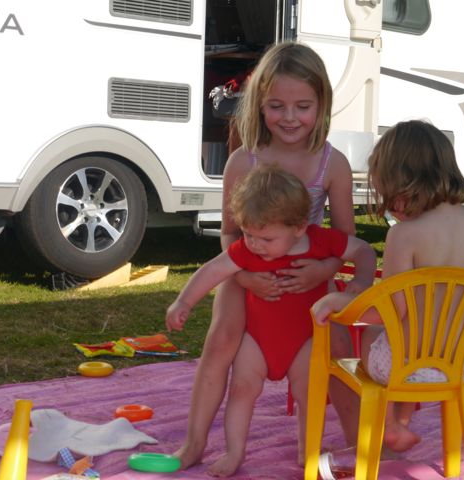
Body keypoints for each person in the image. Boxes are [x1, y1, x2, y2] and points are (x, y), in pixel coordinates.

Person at [173, 42, 361, 469]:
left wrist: (322, 271)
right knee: (221, 341)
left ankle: (359, 442)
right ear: (260, 104)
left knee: (339, 348)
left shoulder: (332, 165)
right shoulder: (244, 162)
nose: (289, 117)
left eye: (302, 106)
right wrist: (243, 277)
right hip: (248, 270)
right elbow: (228, 234)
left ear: (322, 105)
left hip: (309, 273)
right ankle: (194, 443)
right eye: (277, 106)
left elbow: (345, 240)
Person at [312, 119, 464, 455]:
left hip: (400, 367)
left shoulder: (404, 235)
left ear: (404, 183)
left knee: (378, 336)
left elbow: (390, 311)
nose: (391, 207)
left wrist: (338, 301)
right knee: (407, 341)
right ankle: (401, 423)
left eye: (388, 195)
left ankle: (390, 423)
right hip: (458, 366)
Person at [166, 164, 377, 477]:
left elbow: (364, 251)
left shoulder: (321, 242)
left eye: (265, 238)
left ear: (299, 227)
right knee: (241, 389)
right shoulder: (247, 250)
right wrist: (183, 301)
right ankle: (234, 452)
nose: (255, 244)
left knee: (310, 394)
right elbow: (212, 271)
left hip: (306, 340)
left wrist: (361, 282)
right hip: (257, 340)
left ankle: (308, 451)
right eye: (248, 234)